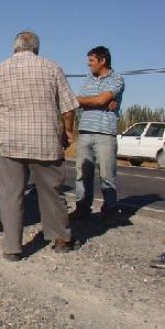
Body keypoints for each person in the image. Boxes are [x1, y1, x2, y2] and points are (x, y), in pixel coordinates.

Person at [0, 31, 79, 261]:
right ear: (36, 48)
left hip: (9, 142)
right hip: (45, 140)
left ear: (14, 48)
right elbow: (68, 107)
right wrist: (67, 132)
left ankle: (12, 248)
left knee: (11, 195)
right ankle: (61, 240)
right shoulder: (52, 68)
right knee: (52, 192)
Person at [72, 46, 125, 224]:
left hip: (105, 133)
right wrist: (97, 101)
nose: (89, 65)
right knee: (82, 174)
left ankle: (110, 210)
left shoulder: (117, 79)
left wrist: (97, 101)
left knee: (107, 175)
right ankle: (82, 207)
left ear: (103, 61)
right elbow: (79, 100)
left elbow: (100, 99)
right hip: (85, 131)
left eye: (92, 61)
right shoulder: (88, 79)